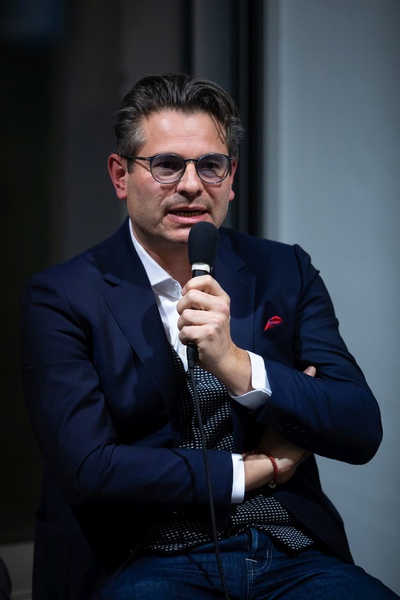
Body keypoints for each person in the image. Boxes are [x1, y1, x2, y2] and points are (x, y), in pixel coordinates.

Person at [20, 73, 398, 600]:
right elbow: (92, 468)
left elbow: (359, 426)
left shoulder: (283, 270)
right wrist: (258, 469)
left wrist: (237, 365)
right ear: (121, 176)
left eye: (210, 165)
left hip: (289, 549)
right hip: (145, 556)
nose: (192, 185)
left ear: (231, 176)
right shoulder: (62, 296)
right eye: (167, 165)